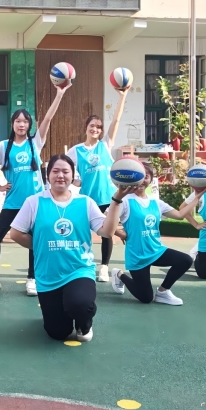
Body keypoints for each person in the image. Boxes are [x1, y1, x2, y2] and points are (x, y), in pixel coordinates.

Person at [0, 84, 69, 296]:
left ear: (29, 125)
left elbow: (48, 119)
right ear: (12, 124)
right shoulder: (3, 146)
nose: (21, 124)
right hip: (13, 201)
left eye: (25, 121)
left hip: (35, 202)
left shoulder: (35, 142)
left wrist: (59, 94)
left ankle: (32, 279)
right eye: (18, 121)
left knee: (35, 239)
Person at [10, 154, 108, 342]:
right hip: (48, 274)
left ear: (73, 175)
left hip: (79, 269)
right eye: (55, 171)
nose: (60, 175)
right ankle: (65, 315)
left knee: (80, 304)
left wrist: (117, 201)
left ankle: (84, 322)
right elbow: (16, 233)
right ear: (48, 175)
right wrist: (39, 246)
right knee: (57, 333)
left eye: (65, 171)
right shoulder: (34, 202)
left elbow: (106, 231)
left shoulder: (85, 202)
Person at [99, 163, 197, 305]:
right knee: (146, 298)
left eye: (146, 176)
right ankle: (119, 275)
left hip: (156, 251)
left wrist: (197, 196)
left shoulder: (155, 202)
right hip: (137, 255)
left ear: (151, 179)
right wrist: (120, 233)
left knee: (185, 260)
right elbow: (104, 220)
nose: (142, 180)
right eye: (139, 176)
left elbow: (180, 215)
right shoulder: (124, 201)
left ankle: (163, 291)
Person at [66, 85, 129, 283]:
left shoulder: (105, 145)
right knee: (82, 232)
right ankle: (84, 263)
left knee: (107, 234)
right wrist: (74, 180)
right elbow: (65, 169)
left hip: (109, 197)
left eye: (99, 127)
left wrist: (122, 96)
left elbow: (116, 120)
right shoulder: (75, 151)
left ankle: (103, 267)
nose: (95, 129)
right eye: (92, 125)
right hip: (87, 199)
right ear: (86, 127)